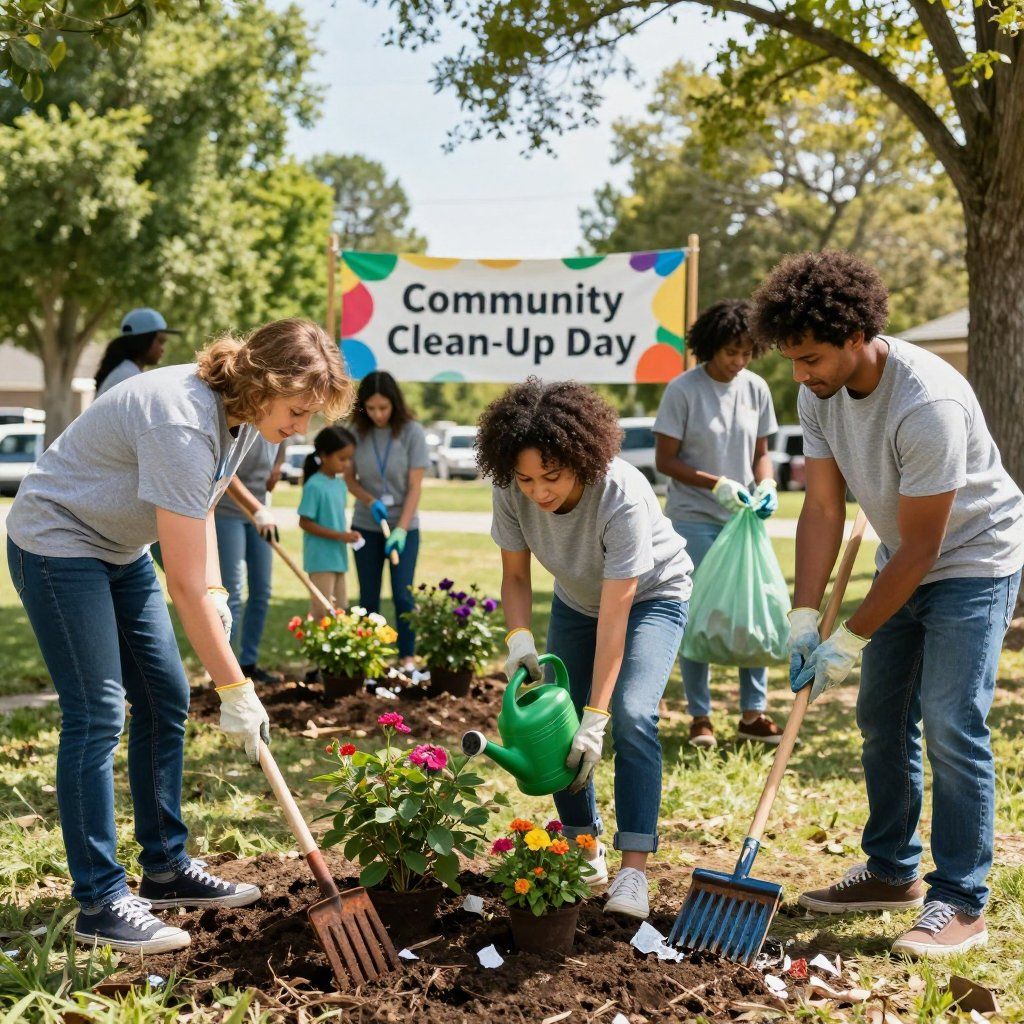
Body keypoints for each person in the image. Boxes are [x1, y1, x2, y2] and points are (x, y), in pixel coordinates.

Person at [6, 318, 351, 954]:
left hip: (119, 544)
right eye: (299, 411)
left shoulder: (242, 420)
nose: (302, 428)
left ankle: (164, 870)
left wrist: (218, 594)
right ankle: (101, 903)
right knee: (97, 713)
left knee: (164, 697)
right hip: (57, 539)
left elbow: (199, 525)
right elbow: (185, 586)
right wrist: (236, 688)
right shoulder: (181, 422)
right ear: (265, 382)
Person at [752, 250, 1024, 957]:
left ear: (854, 336)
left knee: (949, 719)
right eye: (791, 359)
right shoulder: (818, 395)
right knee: (880, 716)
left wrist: (850, 637)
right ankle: (890, 870)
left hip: (972, 560)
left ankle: (961, 900)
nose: (799, 376)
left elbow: (924, 550)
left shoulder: (925, 402)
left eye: (809, 357)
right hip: (901, 561)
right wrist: (805, 615)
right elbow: (820, 506)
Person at [477, 378, 693, 920]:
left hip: (650, 598)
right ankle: (583, 849)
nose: (538, 492)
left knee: (633, 714)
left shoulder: (619, 492)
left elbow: (617, 615)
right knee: (553, 721)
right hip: (577, 600)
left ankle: (634, 872)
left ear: (581, 457)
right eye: (526, 479)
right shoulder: (510, 488)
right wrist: (519, 637)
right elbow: (516, 576)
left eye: (550, 476)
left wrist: (596, 716)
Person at [654, 299, 782, 748]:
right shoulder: (683, 390)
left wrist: (765, 485)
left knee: (750, 612)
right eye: (731, 351)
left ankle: (753, 712)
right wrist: (716, 484)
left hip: (742, 518)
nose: (739, 361)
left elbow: (761, 453)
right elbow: (664, 459)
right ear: (711, 347)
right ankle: (700, 716)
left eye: (748, 352)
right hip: (694, 518)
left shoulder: (756, 388)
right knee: (699, 616)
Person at [345, 371, 430, 673]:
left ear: (394, 403)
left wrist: (401, 528)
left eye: (383, 407)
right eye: (371, 408)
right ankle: (370, 656)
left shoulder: (411, 432)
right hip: (366, 524)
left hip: (403, 527)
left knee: (403, 594)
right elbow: (350, 480)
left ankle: (407, 656)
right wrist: (370, 500)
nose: (378, 414)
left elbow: (415, 487)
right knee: (368, 595)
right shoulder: (355, 432)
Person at [214, 439, 286, 684]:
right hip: (228, 514)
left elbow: (282, 442)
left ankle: (248, 664)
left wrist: (279, 463)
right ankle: (225, 674)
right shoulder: (247, 424)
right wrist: (257, 510)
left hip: (260, 515)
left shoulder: (283, 421)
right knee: (232, 594)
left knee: (262, 591)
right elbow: (227, 471)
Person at [299, 426, 362, 618]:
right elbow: (305, 522)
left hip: (338, 557)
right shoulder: (314, 485)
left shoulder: (339, 484)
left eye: (349, 459)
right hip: (320, 559)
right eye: (342, 458)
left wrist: (348, 535)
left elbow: (335, 518)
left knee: (340, 611)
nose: (346, 464)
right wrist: (340, 536)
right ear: (325, 455)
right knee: (323, 613)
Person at [95, 308, 179, 397]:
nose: (163, 349)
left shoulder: (123, 371)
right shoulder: (129, 378)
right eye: (160, 341)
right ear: (143, 341)